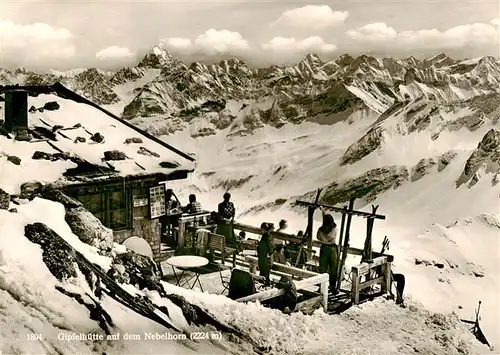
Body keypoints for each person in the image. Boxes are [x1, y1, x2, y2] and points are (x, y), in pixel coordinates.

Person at [316, 208, 339, 294]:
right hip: (332, 249)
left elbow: (318, 237)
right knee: (333, 268)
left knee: (323, 268)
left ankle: (322, 287)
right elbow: (334, 236)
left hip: (324, 248)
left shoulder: (321, 230)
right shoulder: (334, 228)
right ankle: (333, 287)